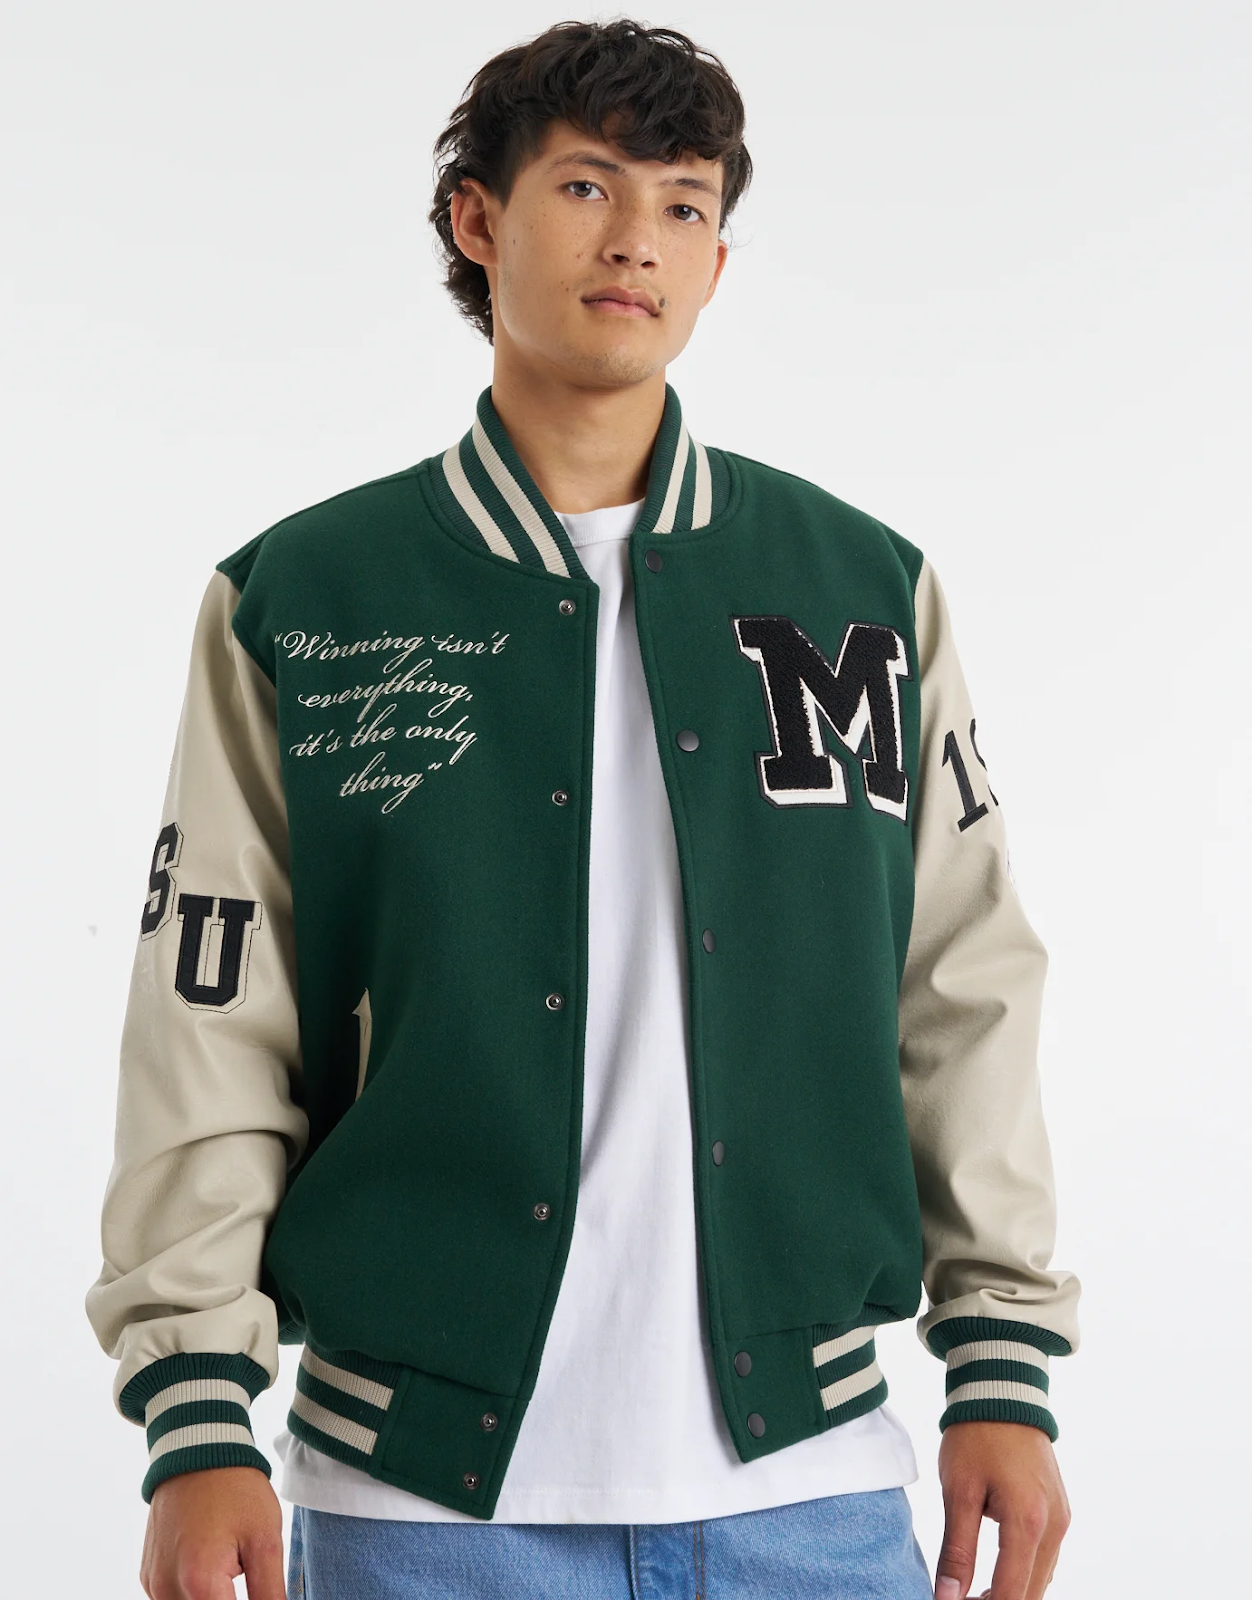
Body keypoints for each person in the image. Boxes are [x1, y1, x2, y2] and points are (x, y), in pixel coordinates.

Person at [86, 18, 1080, 1600]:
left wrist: (1001, 1364)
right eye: (587, 186)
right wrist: (196, 1411)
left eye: (685, 204)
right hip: (419, 1502)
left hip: (812, 1491)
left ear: (719, 263)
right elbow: (212, 1009)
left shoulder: (861, 589)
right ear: (477, 220)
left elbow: (962, 984)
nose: (637, 241)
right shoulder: (307, 597)